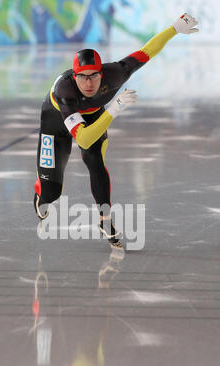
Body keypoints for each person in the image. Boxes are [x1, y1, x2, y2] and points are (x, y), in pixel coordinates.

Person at [34, 13, 199, 249]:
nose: (89, 83)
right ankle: (41, 190)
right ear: (74, 76)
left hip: (92, 116)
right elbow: (82, 136)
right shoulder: (65, 92)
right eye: (82, 77)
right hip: (56, 123)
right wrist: (114, 109)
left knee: (95, 160)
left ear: (102, 73)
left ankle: (105, 219)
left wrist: (174, 28)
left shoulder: (117, 73)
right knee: (52, 194)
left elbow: (146, 52)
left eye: (93, 76)